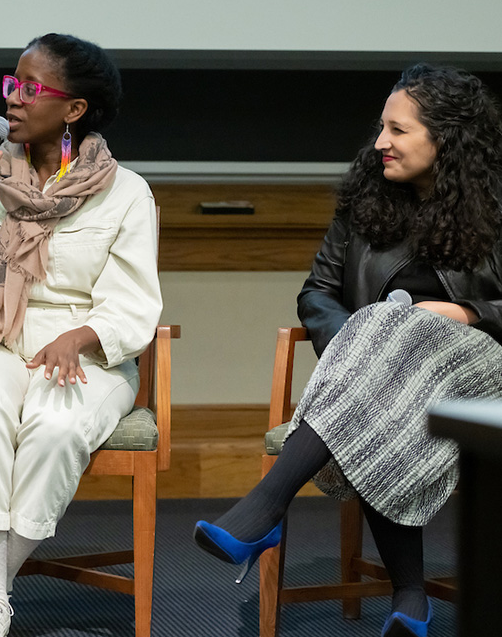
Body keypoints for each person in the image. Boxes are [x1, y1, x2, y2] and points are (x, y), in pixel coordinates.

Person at [194, 64, 502, 637]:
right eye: (381, 126)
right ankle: (410, 595)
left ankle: (266, 508)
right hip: (382, 371)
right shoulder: (367, 194)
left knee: (393, 334)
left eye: (399, 130)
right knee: (384, 349)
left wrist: (466, 312)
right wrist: (360, 347)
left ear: (448, 137)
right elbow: (318, 292)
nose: (380, 142)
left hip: (481, 370)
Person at [0, 33, 163, 637]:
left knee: (57, 424)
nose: (14, 100)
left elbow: (133, 306)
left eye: (30, 89)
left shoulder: (127, 193)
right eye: (10, 86)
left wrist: (80, 336)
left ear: (74, 109)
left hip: (84, 356)